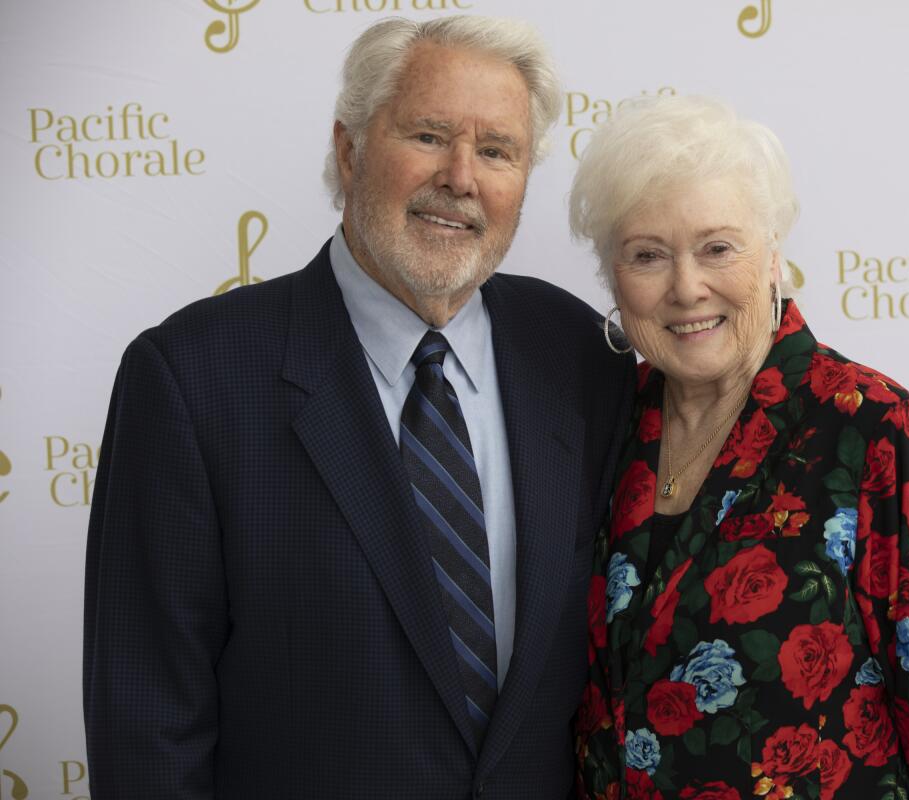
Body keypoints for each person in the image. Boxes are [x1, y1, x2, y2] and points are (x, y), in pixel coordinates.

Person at [83, 16, 635, 799]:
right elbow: (146, 729)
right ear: (348, 149)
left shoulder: (582, 354)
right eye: (429, 135)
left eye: (497, 150)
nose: (461, 177)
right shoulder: (192, 379)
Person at [569, 97, 909, 799]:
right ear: (614, 276)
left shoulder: (886, 436)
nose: (687, 287)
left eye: (718, 248)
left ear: (774, 255)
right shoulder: (597, 427)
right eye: (648, 255)